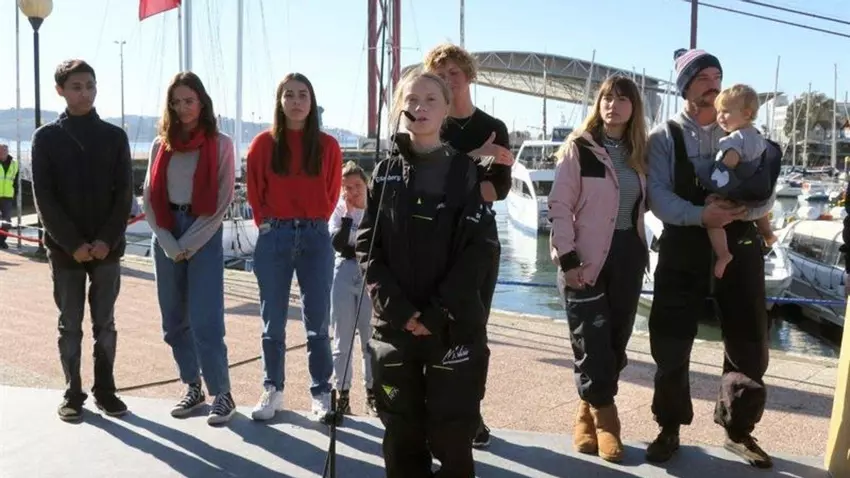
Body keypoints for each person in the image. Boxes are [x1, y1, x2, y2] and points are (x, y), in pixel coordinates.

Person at [356, 68, 499, 478]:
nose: (420, 107)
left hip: (451, 328)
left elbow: (477, 252)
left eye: (430, 100)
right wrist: (401, 311)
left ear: (446, 109)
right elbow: (367, 247)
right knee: (401, 431)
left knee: (452, 432)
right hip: (396, 328)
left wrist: (436, 313)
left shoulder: (465, 172)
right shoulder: (383, 173)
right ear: (401, 108)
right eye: (412, 100)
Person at [645, 49, 777, 469]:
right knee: (670, 339)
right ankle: (669, 426)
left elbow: (768, 190)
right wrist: (701, 215)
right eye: (703, 77)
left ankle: (738, 430)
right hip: (683, 244)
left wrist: (744, 211)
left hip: (740, 244)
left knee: (749, 339)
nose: (713, 84)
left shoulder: (748, 133)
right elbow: (657, 196)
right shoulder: (663, 136)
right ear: (685, 86)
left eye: (717, 76)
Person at [548, 76, 649, 463]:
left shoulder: (640, 154)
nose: (613, 105)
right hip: (584, 258)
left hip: (628, 255)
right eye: (607, 97)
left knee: (615, 342)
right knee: (590, 342)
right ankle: (607, 420)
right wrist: (568, 258)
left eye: (622, 99)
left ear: (633, 108)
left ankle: (585, 411)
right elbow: (559, 205)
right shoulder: (580, 149)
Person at [30, 59, 133, 422]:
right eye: (76, 87)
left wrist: (106, 240)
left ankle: (106, 390)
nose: (85, 93)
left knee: (105, 323)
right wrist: (72, 243)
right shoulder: (46, 138)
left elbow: (124, 195)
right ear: (60, 90)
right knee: (70, 324)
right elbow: (44, 198)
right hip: (65, 251)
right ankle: (73, 392)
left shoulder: (114, 137)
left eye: (90, 85)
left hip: (107, 250)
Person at [423, 41, 514, 449]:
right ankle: (434, 410)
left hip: (478, 242)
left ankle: (471, 412)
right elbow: (427, 182)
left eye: (453, 73)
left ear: (469, 76)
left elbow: (499, 189)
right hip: (433, 243)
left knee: (474, 331)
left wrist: (457, 181)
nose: (447, 80)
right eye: (439, 74)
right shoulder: (429, 125)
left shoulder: (493, 126)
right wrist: (478, 157)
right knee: (432, 328)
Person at [246, 72, 342, 423]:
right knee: (272, 321)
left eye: (303, 95)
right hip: (275, 235)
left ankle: (321, 393)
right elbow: (254, 190)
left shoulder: (328, 146)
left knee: (318, 321)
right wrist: (268, 224)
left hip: (315, 236)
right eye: (289, 95)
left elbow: (332, 191)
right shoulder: (263, 144)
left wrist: (313, 221)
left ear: (312, 102)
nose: (296, 101)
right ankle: (273, 388)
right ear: (280, 101)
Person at [142, 72, 237, 425]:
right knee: (173, 321)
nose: (183, 108)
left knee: (205, 320)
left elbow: (222, 201)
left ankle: (222, 393)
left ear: (202, 102)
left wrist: (188, 243)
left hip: (202, 232)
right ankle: (192, 386)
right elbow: (148, 196)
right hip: (167, 232)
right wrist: (169, 242)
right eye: (176, 102)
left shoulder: (221, 144)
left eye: (189, 101)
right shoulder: (160, 145)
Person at [696, 84, 777, 278]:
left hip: (738, 201)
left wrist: (715, 185)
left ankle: (723, 254)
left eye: (725, 112)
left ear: (746, 113)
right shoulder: (758, 136)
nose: (720, 117)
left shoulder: (734, 140)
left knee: (712, 217)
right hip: (760, 202)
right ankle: (768, 234)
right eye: (718, 112)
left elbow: (729, 163)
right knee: (760, 209)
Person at [329, 161, 376, 416]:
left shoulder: (375, 208)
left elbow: (377, 244)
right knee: (342, 339)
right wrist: (348, 217)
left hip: (369, 273)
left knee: (370, 339)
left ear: (366, 184)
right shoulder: (339, 210)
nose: (353, 192)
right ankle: (343, 394)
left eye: (357, 185)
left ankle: (372, 393)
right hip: (345, 271)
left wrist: (357, 245)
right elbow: (339, 244)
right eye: (347, 188)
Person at [0, 143, 18, 249]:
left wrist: (15, 193)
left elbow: (16, 181)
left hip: (7, 196)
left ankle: (2, 240)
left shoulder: (14, 164)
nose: (2, 153)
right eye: (1, 151)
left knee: (7, 220)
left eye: (4, 151)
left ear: (7, 152)